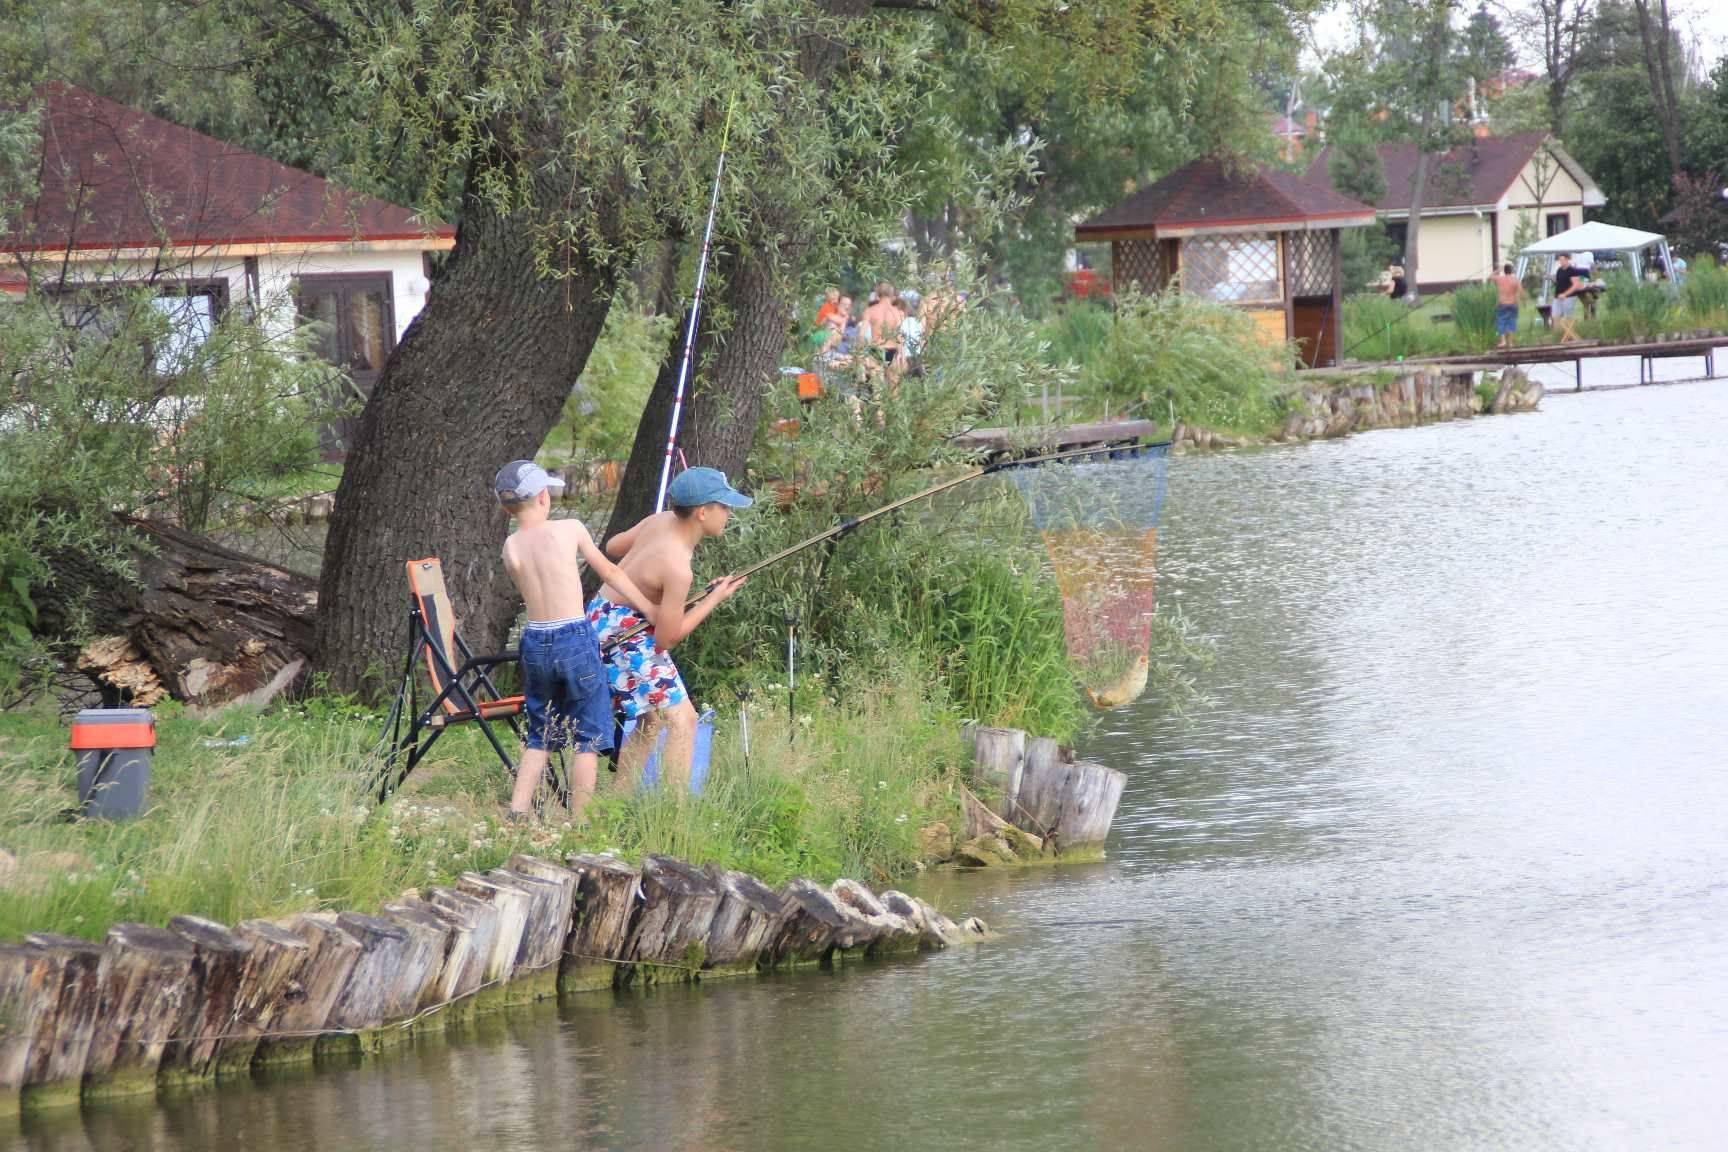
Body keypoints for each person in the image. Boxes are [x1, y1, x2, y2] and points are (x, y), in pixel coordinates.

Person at [494, 460, 653, 822]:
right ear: (542, 497)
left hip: (535, 641)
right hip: (574, 638)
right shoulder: (569, 529)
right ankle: (581, 824)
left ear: (506, 507)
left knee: (540, 734)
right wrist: (648, 606)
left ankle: (516, 813)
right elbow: (610, 571)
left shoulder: (510, 548)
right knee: (589, 735)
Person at [586, 467, 751, 791]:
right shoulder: (677, 566)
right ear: (702, 512)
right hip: (625, 633)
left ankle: (617, 803)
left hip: (599, 614)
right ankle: (675, 814)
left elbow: (615, 546)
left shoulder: (660, 520)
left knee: (651, 718)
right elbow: (666, 637)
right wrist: (714, 598)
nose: (729, 514)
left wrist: (645, 560)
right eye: (725, 507)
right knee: (684, 719)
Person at [860, 280, 902, 365]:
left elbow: (861, 334)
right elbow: (899, 336)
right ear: (891, 294)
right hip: (891, 350)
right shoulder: (896, 312)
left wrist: (859, 353)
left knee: (877, 377)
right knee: (892, 377)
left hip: (876, 350)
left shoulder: (870, 311)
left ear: (877, 293)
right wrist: (901, 353)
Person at [1552, 253, 1585, 343]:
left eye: (1562, 260)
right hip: (1557, 296)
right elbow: (1559, 282)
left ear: (1567, 260)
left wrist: (1565, 294)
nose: (1561, 262)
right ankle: (1557, 336)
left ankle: (1570, 336)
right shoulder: (1559, 270)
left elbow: (1576, 285)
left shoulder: (1572, 270)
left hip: (1569, 297)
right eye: (1559, 260)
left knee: (1568, 317)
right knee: (1555, 316)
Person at [1491, 262, 1523, 350]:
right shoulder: (1515, 280)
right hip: (1513, 304)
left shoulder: (1500, 279)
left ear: (1504, 271)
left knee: (1501, 322)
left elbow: (1491, 276)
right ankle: (1511, 343)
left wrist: (1498, 270)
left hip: (1502, 304)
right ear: (1512, 271)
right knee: (1512, 322)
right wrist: (1524, 301)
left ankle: (1503, 341)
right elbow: (1521, 291)